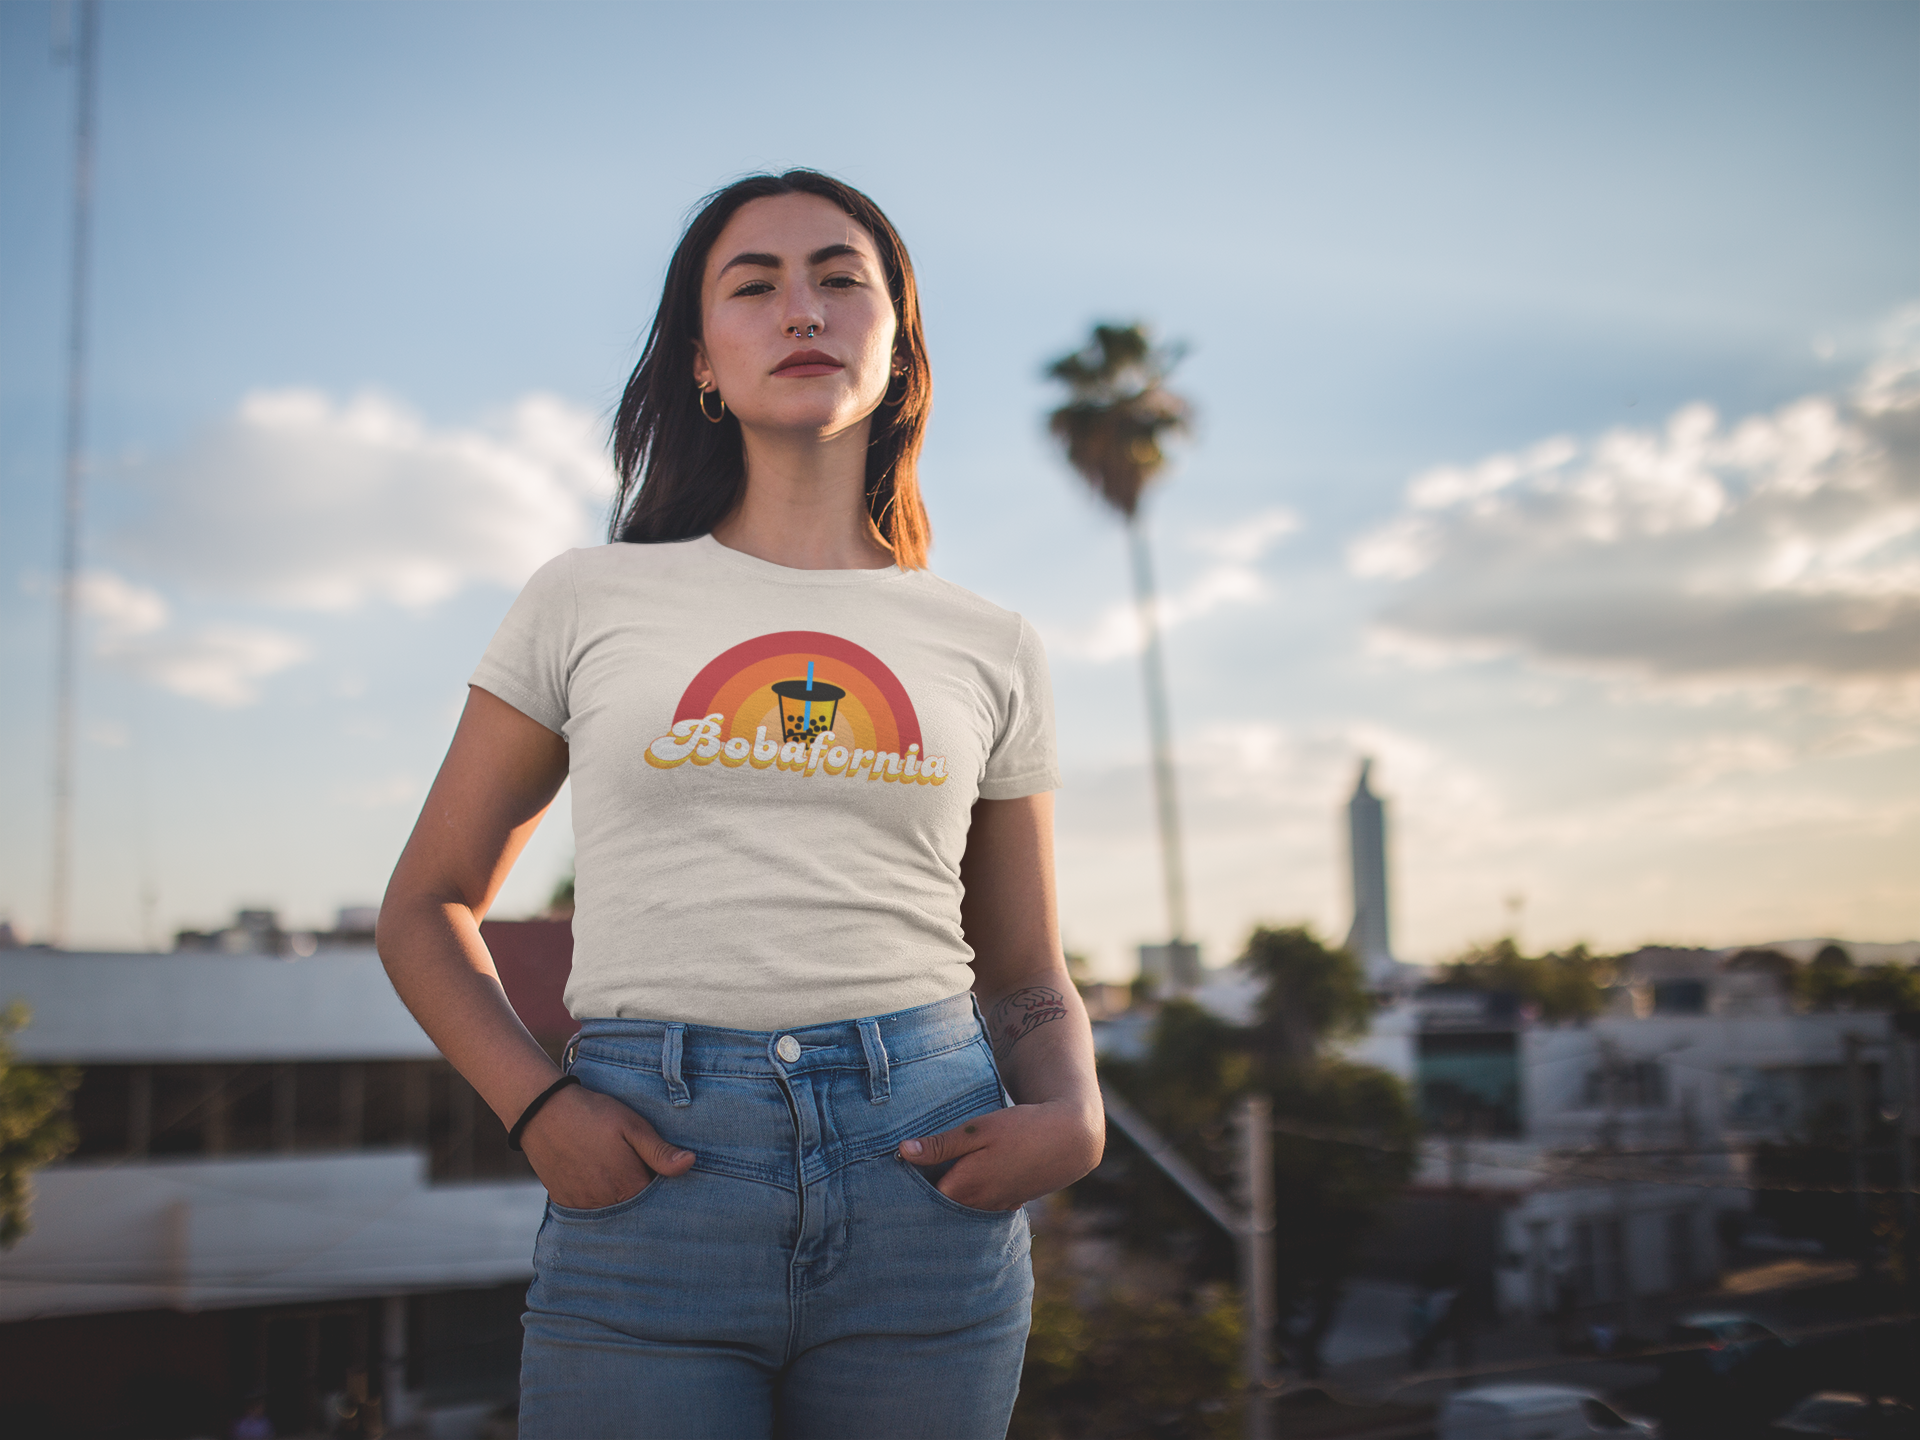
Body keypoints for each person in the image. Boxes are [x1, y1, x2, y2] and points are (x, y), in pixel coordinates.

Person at [377, 170, 1103, 1440]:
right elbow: (425, 905)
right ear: (703, 361)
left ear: (898, 345)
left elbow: (1027, 968)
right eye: (753, 286)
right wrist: (539, 1108)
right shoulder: (587, 599)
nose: (801, 310)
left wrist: (1077, 1113)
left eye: (839, 278)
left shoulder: (990, 645)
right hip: (651, 1179)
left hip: (927, 1181)